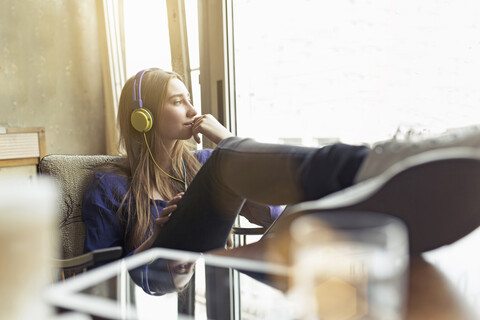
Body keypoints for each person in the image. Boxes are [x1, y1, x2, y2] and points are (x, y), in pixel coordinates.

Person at [82, 68, 480, 294]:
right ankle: (379, 161)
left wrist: (232, 156)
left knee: (280, 197)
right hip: (152, 276)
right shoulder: (109, 184)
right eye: (177, 100)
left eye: (189, 98)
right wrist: (159, 234)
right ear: (143, 117)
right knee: (225, 162)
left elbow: (267, 215)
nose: (192, 108)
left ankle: (373, 202)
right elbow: (105, 278)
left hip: (213, 265)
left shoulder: (200, 162)